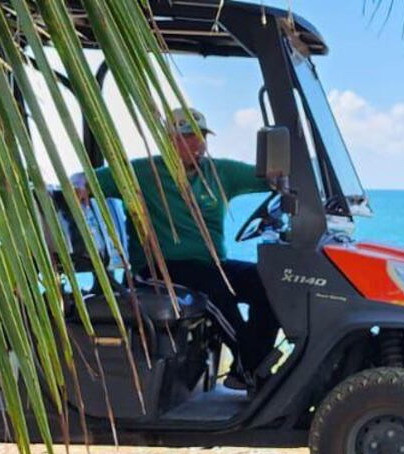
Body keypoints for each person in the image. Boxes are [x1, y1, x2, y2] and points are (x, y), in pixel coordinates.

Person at [91, 108, 274, 389]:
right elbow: (86, 180)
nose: (198, 144)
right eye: (188, 137)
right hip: (159, 268)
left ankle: (244, 369)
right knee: (214, 290)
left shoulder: (219, 172)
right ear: (168, 141)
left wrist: (291, 174)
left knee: (273, 282)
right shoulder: (143, 172)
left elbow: (272, 177)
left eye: (201, 137)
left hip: (209, 264)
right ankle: (255, 367)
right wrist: (80, 186)